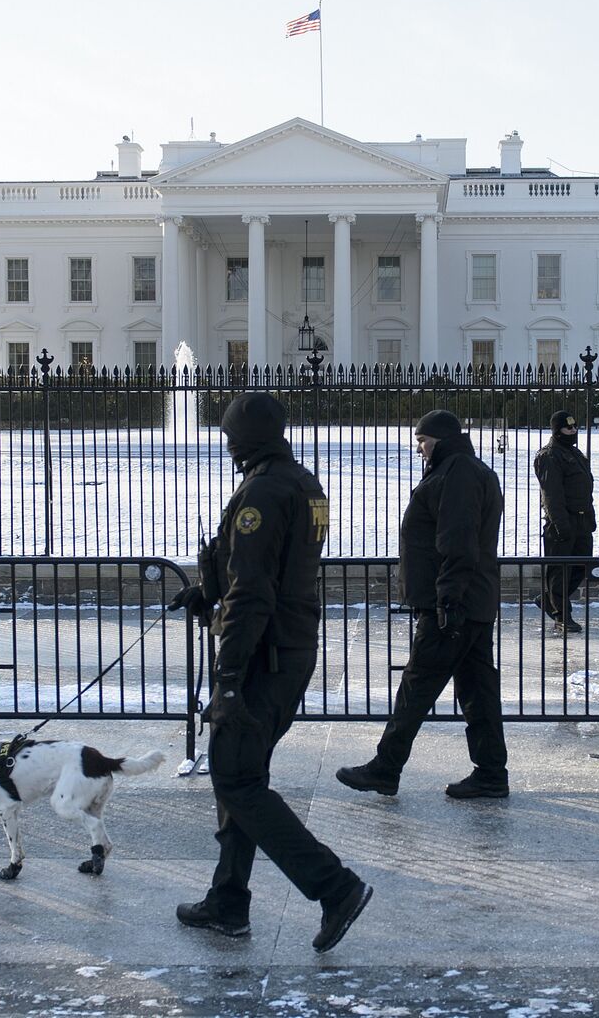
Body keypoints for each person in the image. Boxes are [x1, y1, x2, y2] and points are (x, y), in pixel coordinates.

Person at [168, 392, 373, 953]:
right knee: (241, 776)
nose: (228, 446)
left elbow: (254, 591)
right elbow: (273, 569)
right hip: (290, 650)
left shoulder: (261, 491)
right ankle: (228, 902)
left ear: (249, 438)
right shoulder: (305, 485)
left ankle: (335, 887)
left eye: (232, 437)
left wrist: (228, 676)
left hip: (262, 660)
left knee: (237, 781)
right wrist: (206, 590)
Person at [337, 408, 509, 800]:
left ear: (441, 439)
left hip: (452, 606)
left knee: (417, 687)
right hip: (470, 602)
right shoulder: (460, 469)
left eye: (422, 440)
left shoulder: (458, 473)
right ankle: (491, 773)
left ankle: (386, 767)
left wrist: (447, 598)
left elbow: (458, 540)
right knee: (478, 690)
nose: (419, 448)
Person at [532, 409, 595, 632]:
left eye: (575, 427)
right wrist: (561, 525)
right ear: (557, 430)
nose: (574, 430)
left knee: (581, 567)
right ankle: (562, 617)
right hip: (561, 523)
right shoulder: (549, 456)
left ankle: (549, 600)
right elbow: (552, 495)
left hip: (582, 522)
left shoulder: (574, 454)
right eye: (569, 427)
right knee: (560, 572)